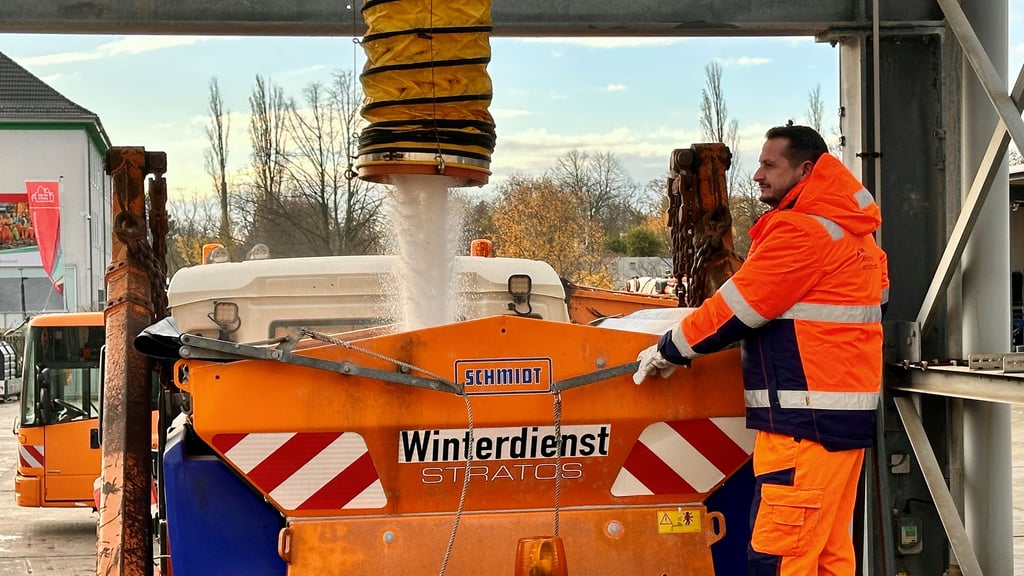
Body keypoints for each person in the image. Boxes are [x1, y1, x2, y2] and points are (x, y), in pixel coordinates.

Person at [635, 124, 889, 576]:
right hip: (840, 427)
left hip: (801, 428)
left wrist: (669, 348)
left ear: (805, 169)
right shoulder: (857, 238)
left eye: (770, 165)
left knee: (781, 558)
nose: (757, 175)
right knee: (828, 557)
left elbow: (736, 309)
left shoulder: (801, 233)